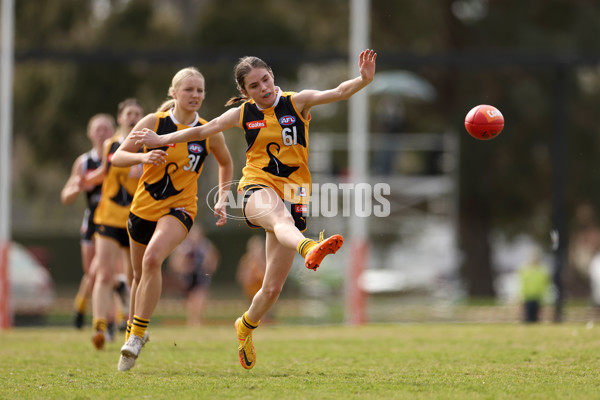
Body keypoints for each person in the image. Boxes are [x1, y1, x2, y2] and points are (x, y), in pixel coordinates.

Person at [130, 49, 377, 369]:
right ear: (244, 92)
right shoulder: (243, 113)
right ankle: (309, 247)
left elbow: (338, 92)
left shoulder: (296, 101)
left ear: (272, 76)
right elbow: (200, 131)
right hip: (257, 187)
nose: (264, 88)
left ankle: (245, 326)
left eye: (266, 79)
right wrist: (160, 138)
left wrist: (364, 79)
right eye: (255, 85)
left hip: (295, 192)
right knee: (279, 217)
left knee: (272, 289)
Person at [111, 67, 233, 371]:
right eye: (189, 89)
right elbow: (117, 157)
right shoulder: (154, 122)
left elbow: (226, 162)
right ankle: (135, 333)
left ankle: (137, 336)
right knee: (138, 276)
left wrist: (222, 196)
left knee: (153, 259)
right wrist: (143, 156)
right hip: (142, 209)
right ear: (174, 92)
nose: (195, 95)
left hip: (180, 210)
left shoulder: (207, 130)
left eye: (200, 90)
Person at [83, 99, 145, 350]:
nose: (133, 117)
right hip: (108, 217)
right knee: (105, 273)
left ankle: (133, 327)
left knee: (134, 278)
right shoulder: (113, 145)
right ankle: (99, 327)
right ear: (120, 118)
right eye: (129, 113)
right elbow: (104, 173)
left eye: (138, 114)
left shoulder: (149, 146)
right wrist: (82, 180)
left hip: (135, 217)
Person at [60, 114, 115, 329]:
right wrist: (77, 187)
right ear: (90, 133)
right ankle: (83, 305)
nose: (102, 133)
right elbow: (66, 196)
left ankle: (110, 320)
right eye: (98, 129)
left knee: (103, 271)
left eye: (106, 129)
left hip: (114, 221)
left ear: (113, 131)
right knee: (92, 274)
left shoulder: (120, 156)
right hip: (92, 221)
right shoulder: (83, 162)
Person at [168, 225, 219, 326]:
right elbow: (175, 261)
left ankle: (197, 319)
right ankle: (193, 319)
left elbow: (213, 258)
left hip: (201, 275)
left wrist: (210, 268)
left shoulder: (205, 245)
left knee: (200, 295)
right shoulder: (184, 246)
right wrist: (182, 269)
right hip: (188, 276)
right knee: (191, 299)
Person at [518, 247, 551, 323]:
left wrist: (544, 296)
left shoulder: (542, 270)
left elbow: (545, 284)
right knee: (528, 316)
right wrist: (521, 295)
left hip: (538, 297)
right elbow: (521, 284)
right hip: (527, 297)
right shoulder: (525, 269)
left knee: (536, 317)